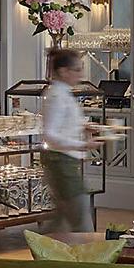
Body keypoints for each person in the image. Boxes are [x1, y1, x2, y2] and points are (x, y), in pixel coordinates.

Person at [40, 46, 97, 233]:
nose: (81, 75)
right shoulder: (57, 95)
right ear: (64, 71)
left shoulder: (62, 93)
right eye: (77, 70)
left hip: (64, 161)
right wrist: (83, 144)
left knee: (63, 219)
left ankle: (45, 246)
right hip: (61, 162)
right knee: (80, 219)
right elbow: (50, 134)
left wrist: (83, 126)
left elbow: (63, 124)